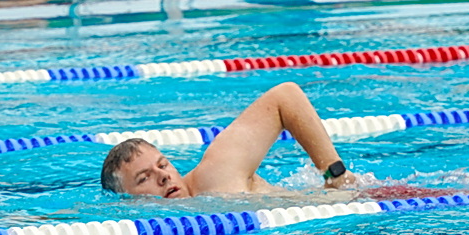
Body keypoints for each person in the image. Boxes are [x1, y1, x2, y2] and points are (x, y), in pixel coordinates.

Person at [99, 82, 360, 200]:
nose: (163, 177)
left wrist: (335, 175)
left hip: (362, 204)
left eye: (163, 165)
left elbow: (285, 96)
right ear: (126, 199)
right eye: (144, 178)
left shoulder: (216, 172)